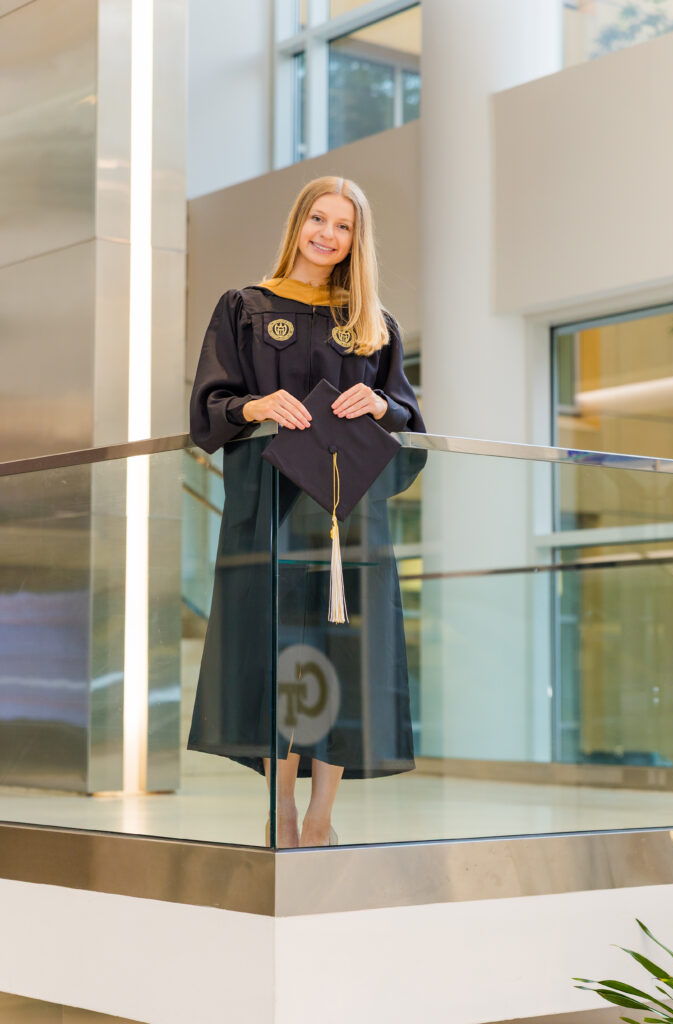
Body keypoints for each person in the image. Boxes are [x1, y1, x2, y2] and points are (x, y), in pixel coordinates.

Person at [187, 175, 426, 848]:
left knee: (343, 656)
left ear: (356, 239)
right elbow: (208, 409)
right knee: (281, 657)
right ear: (297, 223)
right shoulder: (246, 308)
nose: (328, 234)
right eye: (319, 219)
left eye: (343, 226)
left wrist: (381, 405)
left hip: (348, 522)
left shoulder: (373, 324)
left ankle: (321, 815)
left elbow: (410, 424)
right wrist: (256, 405)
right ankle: (282, 807)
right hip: (272, 511)